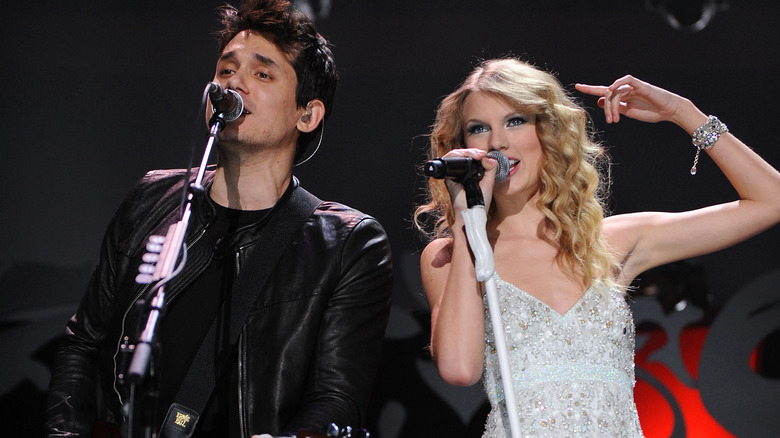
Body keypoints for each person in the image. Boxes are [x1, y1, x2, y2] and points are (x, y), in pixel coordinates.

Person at [44, 1, 393, 437]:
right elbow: (83, 342)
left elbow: (337, 398)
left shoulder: (347, 244)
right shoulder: (152, 199)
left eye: (262, 74)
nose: (233, 83)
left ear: (307, 114)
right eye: (226, 70)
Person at [414, 57, 780, 437]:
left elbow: (771, 201)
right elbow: (459, 369)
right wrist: (466, 216)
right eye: (479, 129)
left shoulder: (609, 243)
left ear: (547, 131)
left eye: (515, 120)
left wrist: (683, 113)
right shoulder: (452, 257)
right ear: (462, 148)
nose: (497, 142)